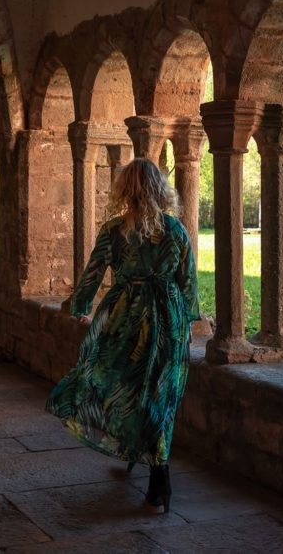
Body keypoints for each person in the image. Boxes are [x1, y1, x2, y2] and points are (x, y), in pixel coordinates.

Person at [45, 157, 200, 513]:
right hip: (168, 318)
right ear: (160, 189)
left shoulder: (114, 231)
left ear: (125, 191)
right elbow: (188, 284)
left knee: (123, 388)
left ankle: (151, 465)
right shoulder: (176, 231)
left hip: (126, 318)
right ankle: (158, 474)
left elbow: (93, 274)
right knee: (162, 393)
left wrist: (79, 306)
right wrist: (187, 324)